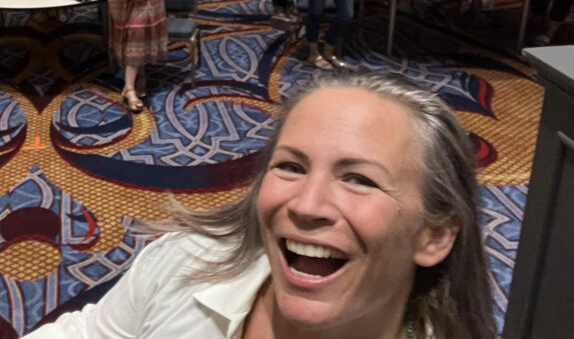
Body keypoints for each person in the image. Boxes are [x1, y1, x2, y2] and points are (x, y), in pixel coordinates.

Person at [23, 70, 496, 339]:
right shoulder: (187, 262)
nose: (308, 204)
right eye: (290, 166)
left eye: (359, 179)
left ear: (434, 235)